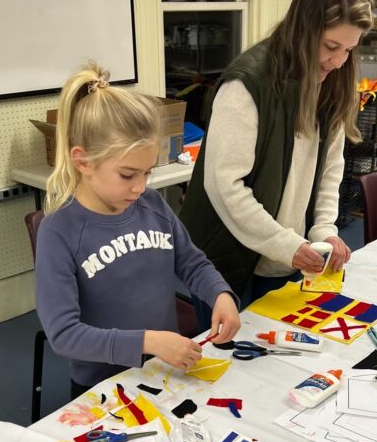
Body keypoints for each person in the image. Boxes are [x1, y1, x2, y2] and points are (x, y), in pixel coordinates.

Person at [179, 0, 373, 325]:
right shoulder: (247, 84)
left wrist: (324, 230)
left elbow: (330, 166)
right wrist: (287, 245)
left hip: (287, 254)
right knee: (228, 361)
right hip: (229, 257)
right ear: (304, 29)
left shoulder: (332, 78)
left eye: (349, 49)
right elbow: (224, 186)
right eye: (331, 46)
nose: (339, 61)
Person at [35, 62, 240, 398]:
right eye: (128, 175)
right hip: (103, 387)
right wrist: (149, 341)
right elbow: (65, 334)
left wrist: (219, 294)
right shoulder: (59, 231)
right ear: (83, 161)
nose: (140, 187)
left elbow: (192, 262)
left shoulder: (153, 205)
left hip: (163, 370)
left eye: (148, 173)